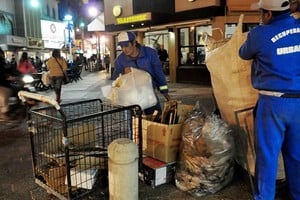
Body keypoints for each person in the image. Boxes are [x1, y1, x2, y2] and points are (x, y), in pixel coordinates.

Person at [239, 0, 300, 199]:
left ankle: (265, 197)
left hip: (273, 104)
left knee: (267, 156)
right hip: (298, 103)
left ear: (268, 15)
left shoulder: (260, 34)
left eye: (261, 13)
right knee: (296, 155)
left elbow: (243, 53)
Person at [112, 31, 170, 115]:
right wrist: (123, 73)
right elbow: (115, 79)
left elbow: (159, 73)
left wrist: (164, 91)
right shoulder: (120, 60)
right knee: (134, 123)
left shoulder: (150, 54)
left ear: (134, 43)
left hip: (149, 93)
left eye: (126, 45)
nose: (124, 49)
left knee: (155, 118)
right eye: (122, 46)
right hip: (130, 97)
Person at [0, 48, 13, 121]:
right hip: (3, 84)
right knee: (6, 94)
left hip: (3, 82)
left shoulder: (4, 62)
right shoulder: (1, 61)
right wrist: (7, 77)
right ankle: (3, 115)